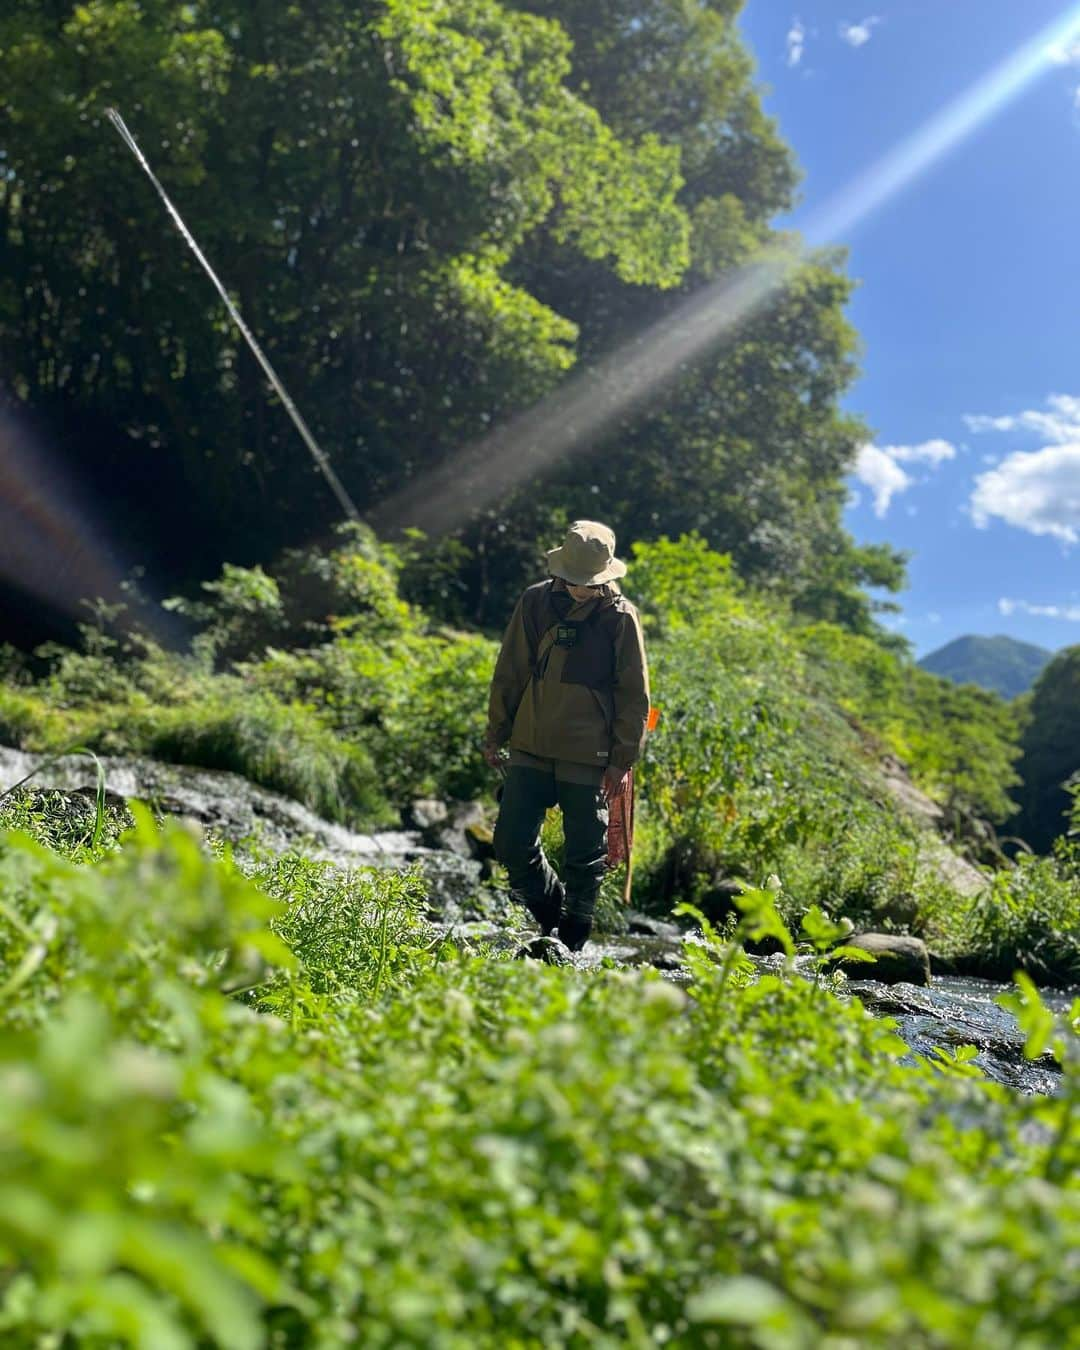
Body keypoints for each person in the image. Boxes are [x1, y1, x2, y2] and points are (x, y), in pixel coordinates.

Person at [484, 520, 650, 951]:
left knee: (585, 853)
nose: (579, 588)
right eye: (575, 580)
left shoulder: (621, 618)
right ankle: (551, 912)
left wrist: (621, 759)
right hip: (530, 741)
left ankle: (573, 935)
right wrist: (495, 731)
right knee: (510, 842)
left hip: (589, 752)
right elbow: (511, 670)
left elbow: (635, 696)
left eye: (588, 582)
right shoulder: (535, 602)